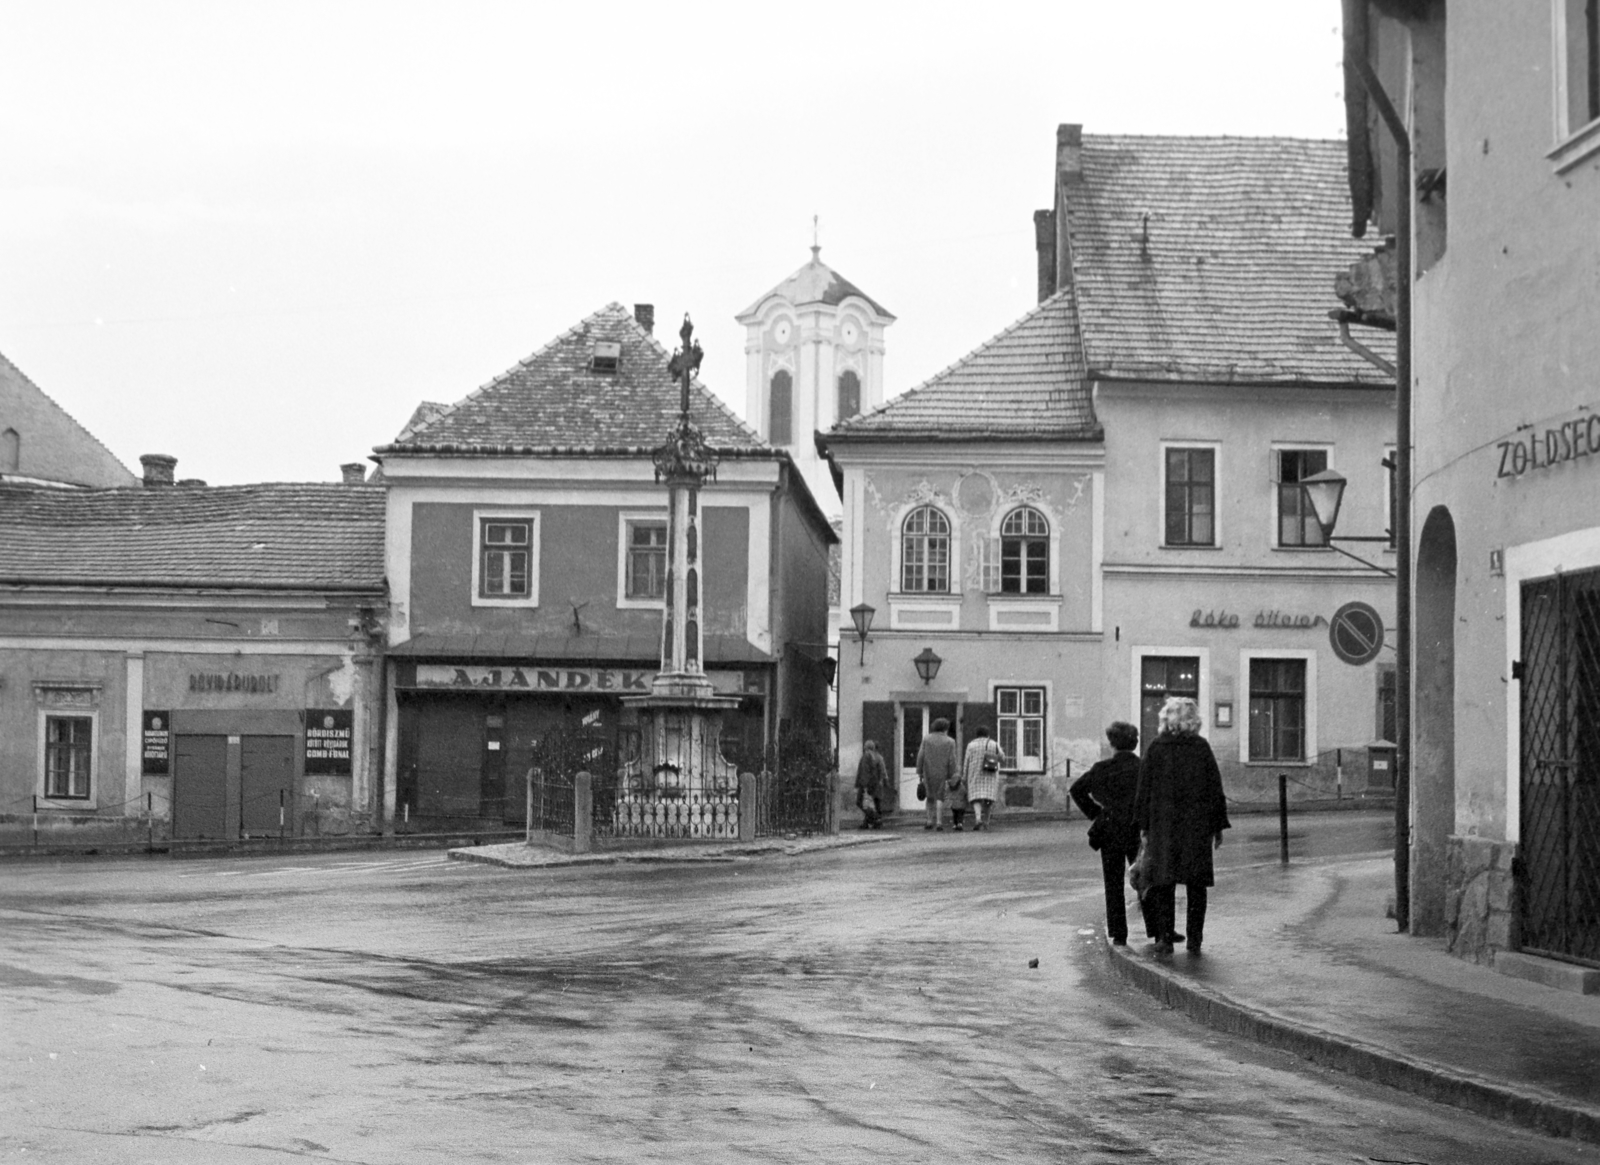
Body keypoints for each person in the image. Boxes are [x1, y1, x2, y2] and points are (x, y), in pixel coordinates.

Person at [1133, 696, 1231, 956]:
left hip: (1163, 828)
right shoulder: (1200, 748)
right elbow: (1214, 789)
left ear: (1166, 718)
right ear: (1192, 720)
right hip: (1196, 827)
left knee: (1163, 882)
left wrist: (1143, 827)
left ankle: (1165, 938)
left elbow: (1143, 791)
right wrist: (1218, 826)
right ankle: (1194, 940)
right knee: (1196, 885)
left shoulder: (1155, 748)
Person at [1069, 721, 1152, 945]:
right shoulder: (1143, 768)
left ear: (1112, 743)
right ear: (1134, 743)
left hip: (1111, 828)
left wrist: (1097, 812)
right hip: (1136, 828)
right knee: (1144, 878)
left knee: (1113, 883)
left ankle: (1118, 931)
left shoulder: (1102, 769)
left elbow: (1076, 789)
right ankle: (1153, 928)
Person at [914, 717, 958, 831]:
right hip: (942, 772)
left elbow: (920, 756)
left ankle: (929, 821)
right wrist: (951, 774)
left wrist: (919, 770)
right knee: (940, 797)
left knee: (929, 796)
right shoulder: (950, 741)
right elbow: (952, 760)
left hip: (928, 771)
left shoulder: (926, 739)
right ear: (945, 728)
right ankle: (939, 823)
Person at [963, 726, 1003, 832]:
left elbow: (966, 762)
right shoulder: (993, 744)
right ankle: (986, 822)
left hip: (975, 773)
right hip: (990, 773)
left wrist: (964, 776)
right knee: (988, 798)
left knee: (976, 797)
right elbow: (1002, 758)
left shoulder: (971, 745)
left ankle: (978, 818)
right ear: (987, 734)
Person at [854, 740, 889, 830]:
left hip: (867, 784)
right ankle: (870, 821)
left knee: (862, 803)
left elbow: (865, 771)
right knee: (871, 803)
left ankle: (876, 818)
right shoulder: (875, 757)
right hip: (874, 784)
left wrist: (863, 784)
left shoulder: (867, 756)